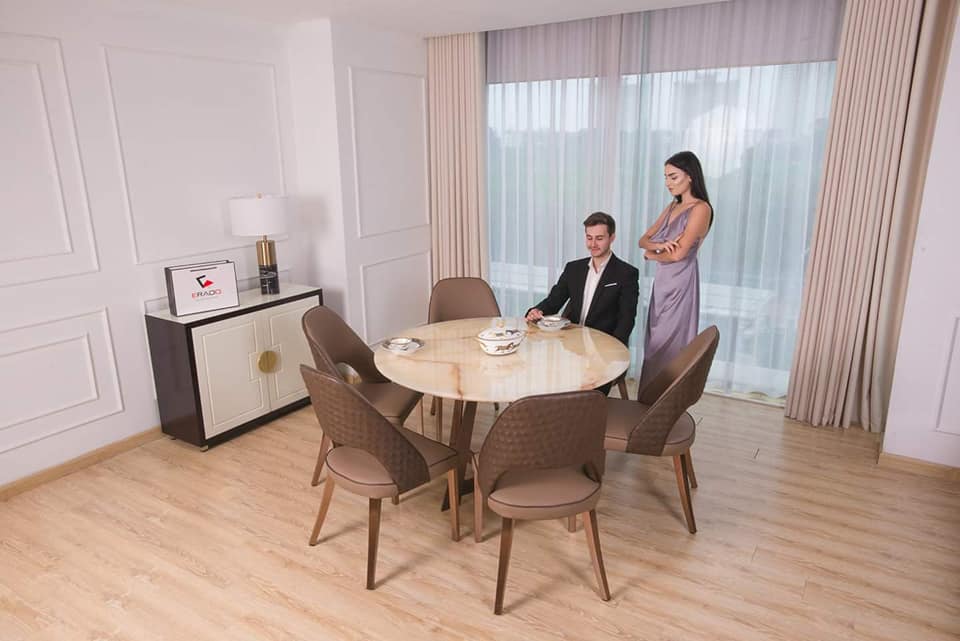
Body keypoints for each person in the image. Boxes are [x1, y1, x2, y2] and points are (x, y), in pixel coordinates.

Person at [636, 151, 714, 393]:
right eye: (666, 177)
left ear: (690, 176)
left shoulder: (701, 209)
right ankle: (648, 400)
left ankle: (666, 401)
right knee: (654, 344)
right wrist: (659, 245)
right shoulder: (673, 206)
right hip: (662, 283)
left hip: (681, 283)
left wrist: (652, 255)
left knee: (671, 344)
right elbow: (643, 240)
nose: (668, 183)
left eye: (673, 177)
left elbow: (678, 255)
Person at [526, 212, 640, 349]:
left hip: (603, 346)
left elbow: (626, 320)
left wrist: (613, 349)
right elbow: (554, 301)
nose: (593, 244)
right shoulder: (573, 269)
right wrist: (537, 310)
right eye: (589, 238)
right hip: (572, 344)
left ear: (612, 238)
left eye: (599, 238)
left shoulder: (626, 273)